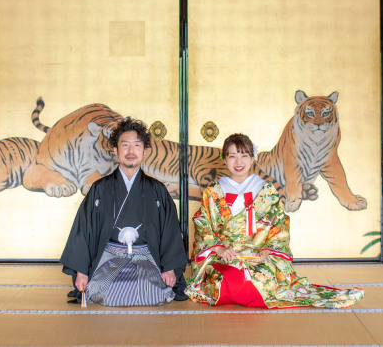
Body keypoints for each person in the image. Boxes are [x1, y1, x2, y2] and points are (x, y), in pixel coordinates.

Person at [185, 132, 364, 309]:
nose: (238, 162)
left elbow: (279, 223)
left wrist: (267, 250)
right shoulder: (214, 190)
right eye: (232, 156)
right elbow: (203, 222)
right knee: (219, 283)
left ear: (252, 158)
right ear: (224, 159)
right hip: (225, 256)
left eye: (244, 156)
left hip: (257, 256)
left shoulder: (265, 189)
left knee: (263, 282)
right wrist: (219, 249)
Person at [60, 117, 189, 305]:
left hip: (146, 258)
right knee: (106, 290)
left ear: (144, 151)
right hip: (110, 258)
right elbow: (83, 231)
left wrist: (169, 268)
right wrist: (82, 272)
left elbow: (170, 231)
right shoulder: (100, 189)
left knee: (153, 290)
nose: (131, 151)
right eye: (125, 145)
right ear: (115, 150)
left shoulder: (157, 190)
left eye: (137, 145)